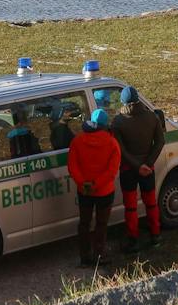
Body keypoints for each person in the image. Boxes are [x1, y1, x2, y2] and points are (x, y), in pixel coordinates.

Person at [110, 86, 165, 251]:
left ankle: (133, 238)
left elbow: (121, 150)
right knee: (151, 203)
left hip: (128, 169)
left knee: (131, 206)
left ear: (123, 102)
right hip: (148, 169)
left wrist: (136, 165)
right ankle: (155, 234)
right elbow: (160, 142)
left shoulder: (118, 122)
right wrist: (147, 164)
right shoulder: (152, 117)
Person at [66, 108, 120, 267]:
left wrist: (83, 183)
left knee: (84, 223)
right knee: (101, 224)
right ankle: (99, 255)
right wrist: (97, 185)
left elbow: (72, 166)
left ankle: (85, 257)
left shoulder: (77, 141)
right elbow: (112, 171)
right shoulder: (112, 142)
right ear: (105, 125)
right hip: (105, 191)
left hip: (84, 191)